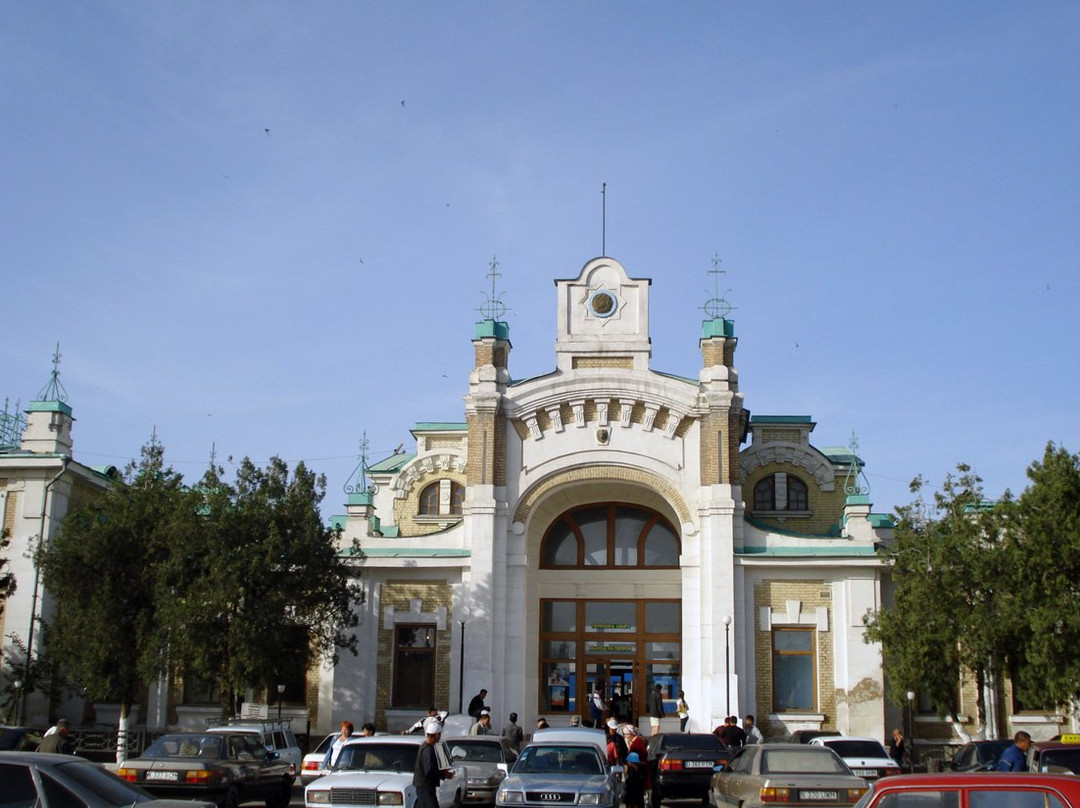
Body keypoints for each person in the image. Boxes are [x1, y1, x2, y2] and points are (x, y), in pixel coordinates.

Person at [413, 718, 454, 808]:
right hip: (425, 787)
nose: (439, 737)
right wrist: (444, 774)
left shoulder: (426, 747)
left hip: (425, 786)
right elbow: (429, 770)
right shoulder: (427, 749)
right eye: (439, 735)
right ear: (436, 735)